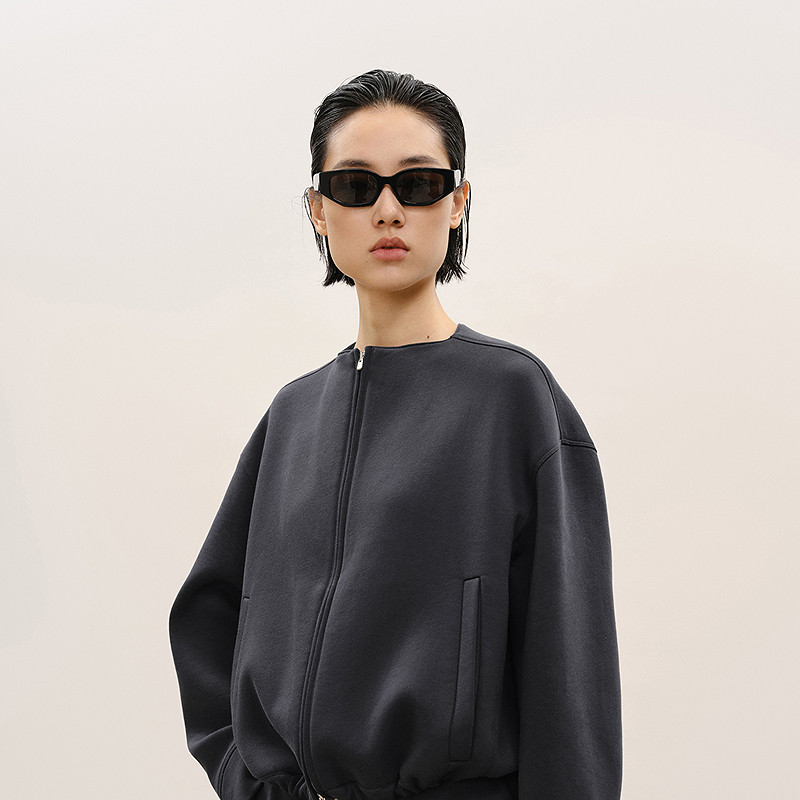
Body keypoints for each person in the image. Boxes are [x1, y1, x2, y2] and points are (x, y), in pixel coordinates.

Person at [168, 69, 623, 800]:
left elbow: (570, 680)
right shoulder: (291, 417)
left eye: (418, 184)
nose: (387, 210)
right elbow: (208, 618)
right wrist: (247, 779)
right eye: (355, 185)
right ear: (318, 210)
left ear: (458, 201)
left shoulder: (513, 398)